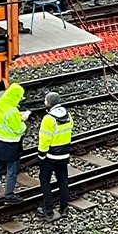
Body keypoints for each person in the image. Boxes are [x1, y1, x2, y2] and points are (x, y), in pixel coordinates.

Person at [0, 83, 30, 204]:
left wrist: (17, 115)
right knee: (12, 170)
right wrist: (23, 121)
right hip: (10, 144)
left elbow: (3, 120)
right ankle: (9, 195)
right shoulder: (12, 111)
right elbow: (18, 129)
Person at [36, 91, 72, 221]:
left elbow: (44, 139)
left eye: (45, 100)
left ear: (50, 103)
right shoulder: (68, 115)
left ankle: (48, 210)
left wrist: (41, 154)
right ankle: (64, 208)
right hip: (64, 155)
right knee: (63, 181)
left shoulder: (48, 119)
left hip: (50, 156)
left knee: (45, 181)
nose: (44, 102)